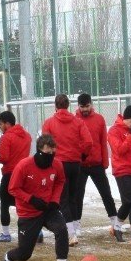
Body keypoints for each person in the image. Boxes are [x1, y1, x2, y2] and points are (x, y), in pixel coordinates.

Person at [1, 134, 76, 261]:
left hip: (48, 209)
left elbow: (60, 181)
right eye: (47, 153)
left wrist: (55, 200)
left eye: (53, 153)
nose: (51, 156)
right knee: (24, 254)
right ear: (39, 150)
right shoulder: (24, 165)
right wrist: (31, 199)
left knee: (61, 229)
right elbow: (13, 188)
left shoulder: (57, 164)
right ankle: (8, 258)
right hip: (28, 212)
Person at [41, 94, 92, 245]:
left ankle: (71, 234)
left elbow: (45, 143)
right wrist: (82, 154)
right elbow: (88, 142)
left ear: (55, 107)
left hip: (58, 163)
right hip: (75, 163)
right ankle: (75, 229)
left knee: (63, 199)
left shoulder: (49, 122)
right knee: (73, 197)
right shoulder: (78, 122)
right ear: (68, 105)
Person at [73, 93, 122, 239]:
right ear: (78, 106)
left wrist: (105, 162)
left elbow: (102, 141)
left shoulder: (99, 119)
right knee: (77, 196)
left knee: (106, 193)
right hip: (80, 164)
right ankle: (76, 226)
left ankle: (115, 223)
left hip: (96, 164)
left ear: (91, 104)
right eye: (82, 107)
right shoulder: (74, 120)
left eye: (87, 106)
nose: (85, 109)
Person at [108, 105, 131, 246]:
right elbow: (119, 150)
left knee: (128, 203)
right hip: (122, 170)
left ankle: (116, 227)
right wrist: (130, 136)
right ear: (125, 119)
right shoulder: (114, 131)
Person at [0, 110, 31, 243]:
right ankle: (36, 231)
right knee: (26, 204)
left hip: (10, 174)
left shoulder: (6, 137)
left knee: (4, 202)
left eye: (0, 124)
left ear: (7, 123)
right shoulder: (27, 136)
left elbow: (4, 158)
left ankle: (5, 233)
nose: (0, 127)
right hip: (25, 174)